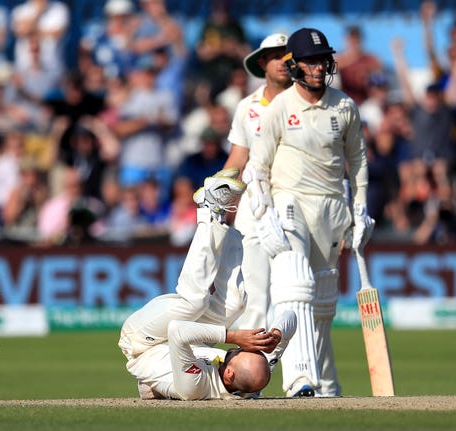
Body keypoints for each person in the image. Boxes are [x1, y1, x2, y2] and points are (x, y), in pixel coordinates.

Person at [243, 28, 374, 397]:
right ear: (295, 65)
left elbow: (357, 158)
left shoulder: (344, 106)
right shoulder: (281, 108)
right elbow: (258, 166)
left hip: (332, 208)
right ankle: (300, 378)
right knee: (294, 284)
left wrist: (360, 207)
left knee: (322, 308)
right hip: (289, 201)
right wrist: (263, 209)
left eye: (322, 60)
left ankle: (327, 386)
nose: (318, 68)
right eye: (310, 61)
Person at [119, 168, 297, 400]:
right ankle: (221, 217)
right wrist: (276, 334)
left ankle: (207, 210)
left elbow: (177, 330)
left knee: (194, 303)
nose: (241, 347)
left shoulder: (196, 387)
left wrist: (232, 337)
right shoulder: (251, 380)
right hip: (190, 339)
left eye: (238, 352)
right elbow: (291, 315)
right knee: (235, 303)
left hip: (141, 343)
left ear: (230, 374)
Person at [222, 33, 291, 337]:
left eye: (289, 56)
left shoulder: (306, 102)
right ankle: (252, 379)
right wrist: (219, 196)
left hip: (294, 203)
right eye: (276, 56)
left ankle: (298, 377)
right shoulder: (247, 106)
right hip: (255, 208)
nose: (284, 62)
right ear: (262, 62)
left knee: (293, 293)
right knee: (254, 295)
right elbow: (238, 157)